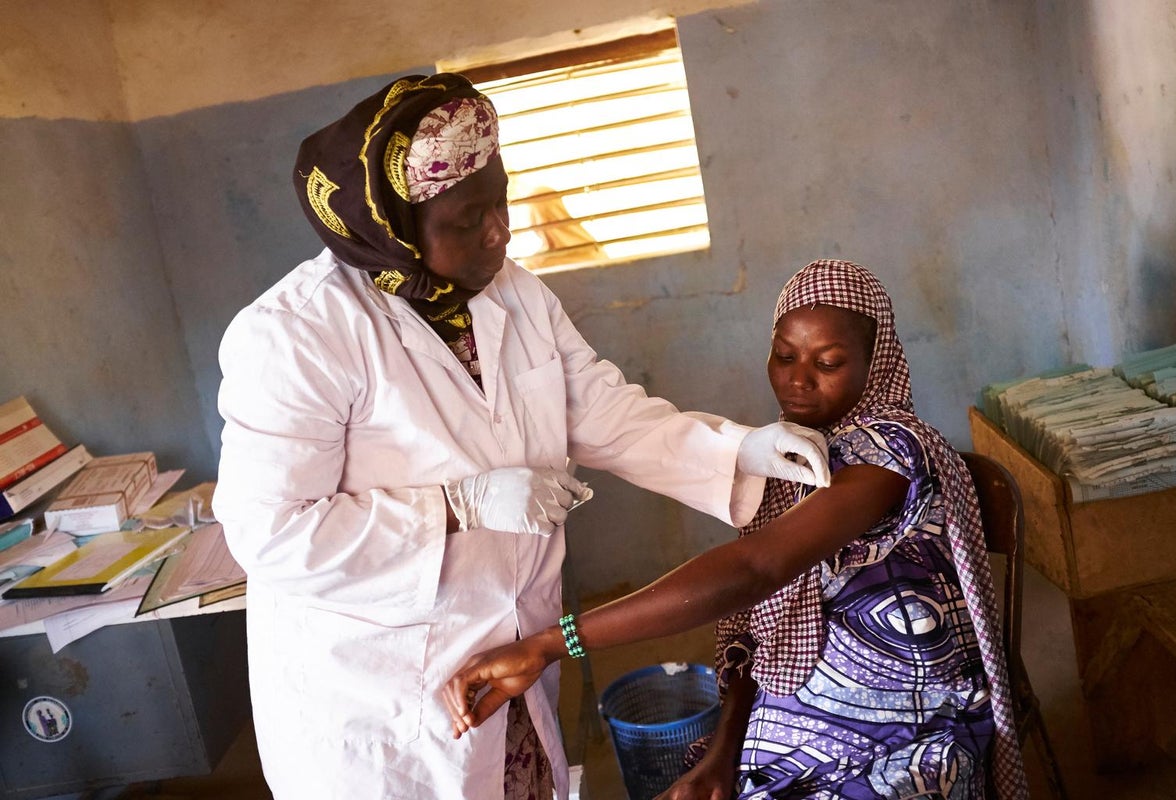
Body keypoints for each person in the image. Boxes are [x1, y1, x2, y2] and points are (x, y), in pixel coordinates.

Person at [211, 72, 831, 800]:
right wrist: (458, 505)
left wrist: (735, 448)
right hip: (381, 696)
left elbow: (598, 408)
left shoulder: (512, 291)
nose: (499, 231)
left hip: (510, 658)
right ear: (398, 229)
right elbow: (271, 534)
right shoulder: (296, 336)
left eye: (500, 201)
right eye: (468, 220)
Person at [444, 260, 1030, 800]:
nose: (799, 380)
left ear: (877, 363)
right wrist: (724, 751)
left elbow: (756, 571)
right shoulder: (798, 458)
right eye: (783, 356)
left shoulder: (891, 455)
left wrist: (553, 642)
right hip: (798, 716)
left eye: (827, 363)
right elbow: (764, 633)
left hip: (903, 721)